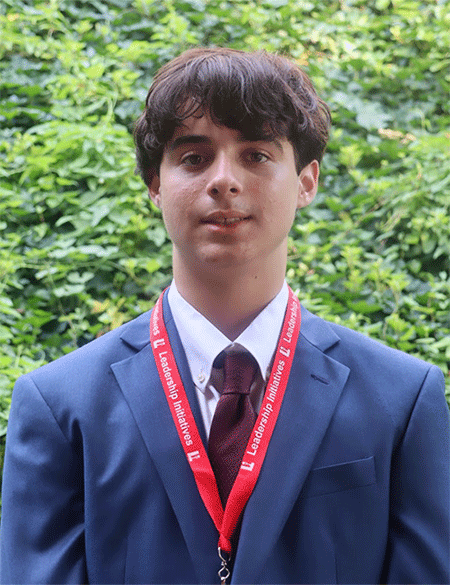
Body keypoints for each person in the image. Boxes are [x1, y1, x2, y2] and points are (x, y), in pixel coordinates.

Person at [1, 47, 448, 585]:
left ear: (306, 182)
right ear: (155, 184)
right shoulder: (60, 406)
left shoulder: (401, 400)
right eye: (193, 158)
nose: (224, 180)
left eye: (256, 154)